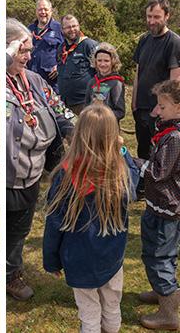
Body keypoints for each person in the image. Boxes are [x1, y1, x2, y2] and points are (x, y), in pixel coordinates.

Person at [43, 103, 139, 333]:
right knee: (112, 307)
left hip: (79, 258)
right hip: (111, 256)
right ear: (113, 136)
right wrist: (124, 154)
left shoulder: (66, 174)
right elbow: (134, 190)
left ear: (79, 134)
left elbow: (54, 223)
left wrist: (51, 260)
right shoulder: (121, 169)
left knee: (89, 313)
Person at [5, 18, 74, 301]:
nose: (29, 56)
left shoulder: (34, 80)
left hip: (31, 175)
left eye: (30, 50)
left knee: (20, 229)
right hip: (4, 178)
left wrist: (82, 130)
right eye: (22, 50)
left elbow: (61, 110)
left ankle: (11, 274)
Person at [136, 79, 180, 330]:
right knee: (159, 252)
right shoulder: (169, 131)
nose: (158, 110)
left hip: (166, 206)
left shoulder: (174, 137)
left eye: (162, 107)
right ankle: (163, 290)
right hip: (159, 203)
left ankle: (168, 313)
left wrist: (132, 161)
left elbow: (158, 171)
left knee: (160, 255)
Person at [133, 0, 180, 160]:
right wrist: (134, 103)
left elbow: (175, 81)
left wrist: (159, 108)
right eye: (149, 16)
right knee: (142, 150)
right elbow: (138, 72)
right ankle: (142, 185)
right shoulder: (144, 39)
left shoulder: (174, 42)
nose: (152, 21)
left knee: (159, 156)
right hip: (141, 108)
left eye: (157, 17)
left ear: (167, 16)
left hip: (160, 111)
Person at [57, 14, 97, 114]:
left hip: (85, 103)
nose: (72, 29)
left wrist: (100, 99)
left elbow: (104, 72)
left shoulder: (89, 45)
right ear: (62, 30)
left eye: (74, 26)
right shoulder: (61, 49)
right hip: (66, 104)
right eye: (68, 27)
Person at [27, 0, 64, 91]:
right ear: (36, 11)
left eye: (46, 9)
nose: (43, 12)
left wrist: (60, 67)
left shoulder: (60, 29)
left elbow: (69, 50)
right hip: (31, 82)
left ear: (51, 11)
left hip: (52, 83)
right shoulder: (29, 29)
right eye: (40, 9)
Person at [85, 42, 125, 122]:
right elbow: (86, 106)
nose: (102, 64)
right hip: (92, 126)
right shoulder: (92, 82)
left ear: (113, 61)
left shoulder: (116, 83)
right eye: (99, 60)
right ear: (95, 61)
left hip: (109, 127)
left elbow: (120, 112)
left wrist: (102, 117)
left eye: (106, 61)